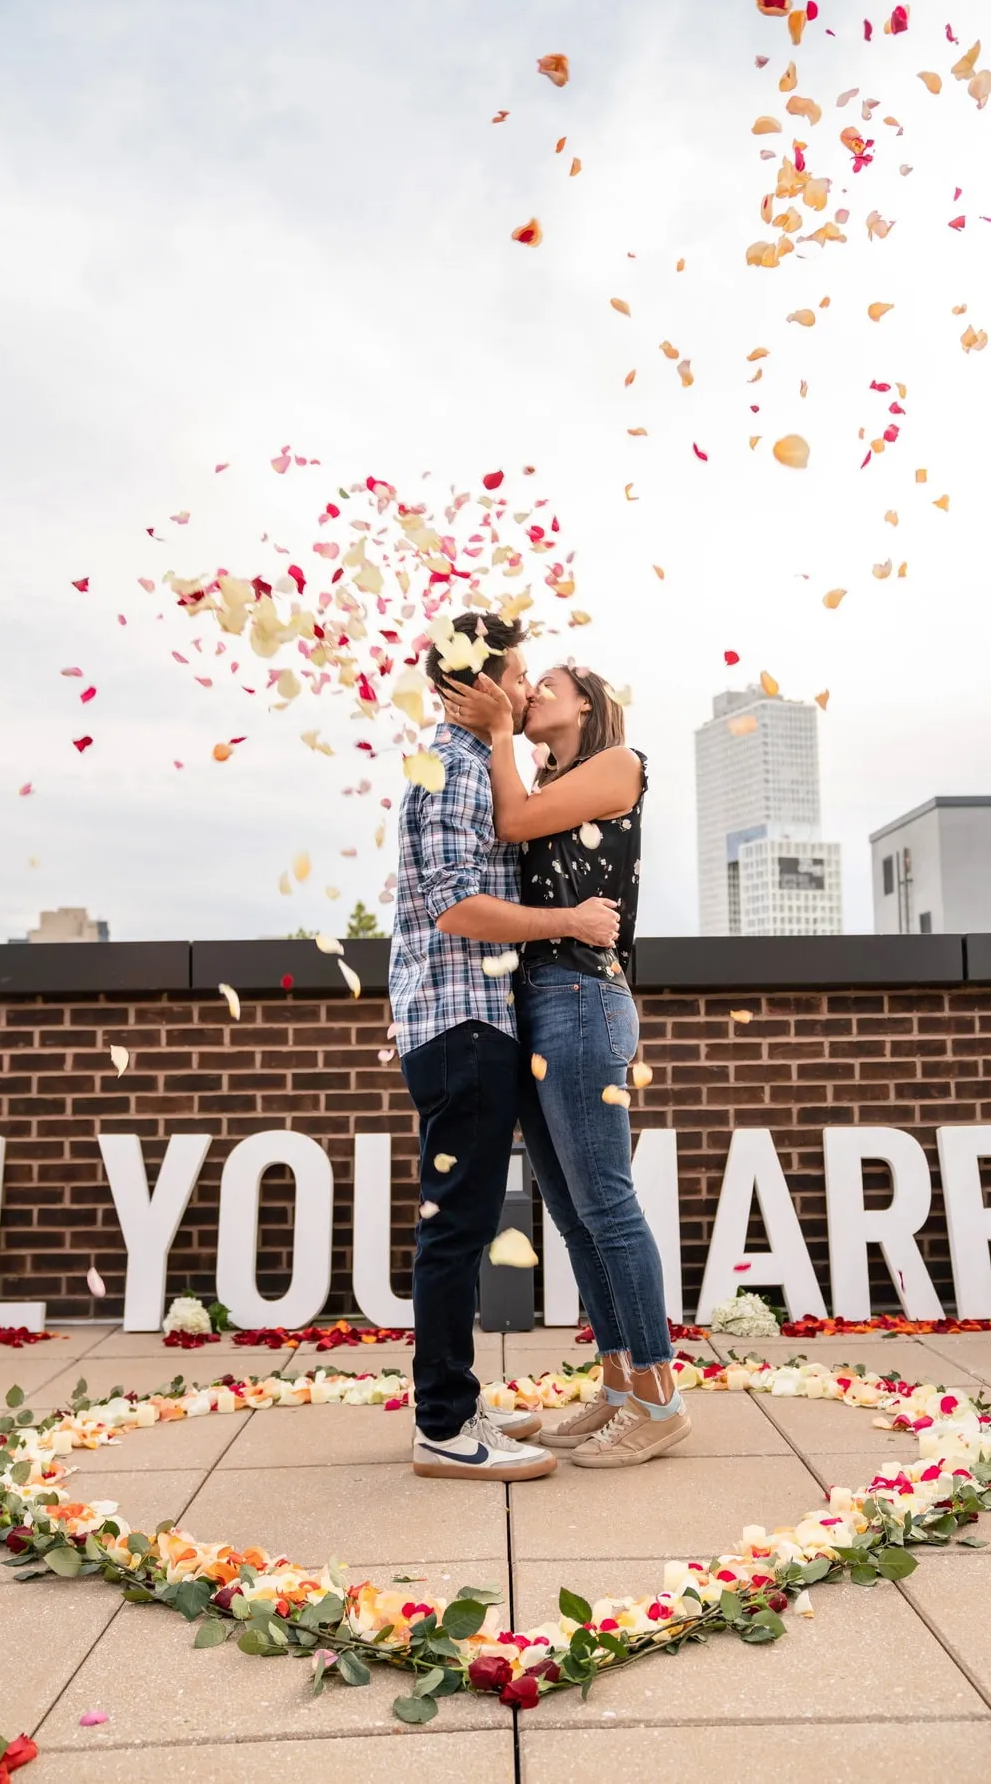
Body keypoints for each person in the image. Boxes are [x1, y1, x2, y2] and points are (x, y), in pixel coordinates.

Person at [389, 612, 622, 1482]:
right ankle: (445, 1426)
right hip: (464, 1023)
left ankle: (455, 1400)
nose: (526, 690)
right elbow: (455, 904)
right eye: (518, 675)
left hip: (464, 1021)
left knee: (464, 1222)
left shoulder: (457, 762)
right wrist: (567, 920)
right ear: (476, 684)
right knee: (457, 1230)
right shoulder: (451, 770)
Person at [441, 661, 690, 1468]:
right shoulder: (551, 780)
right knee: (575, 1212)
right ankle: (619, 1384)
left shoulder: (620, 764)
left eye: (547, 682)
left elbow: (512, 824)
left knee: (607, 1204)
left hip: (583, 995)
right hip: (542, 1000)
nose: (533, 692)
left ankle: (658, 1398)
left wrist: (502, 731)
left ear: (586, 701)